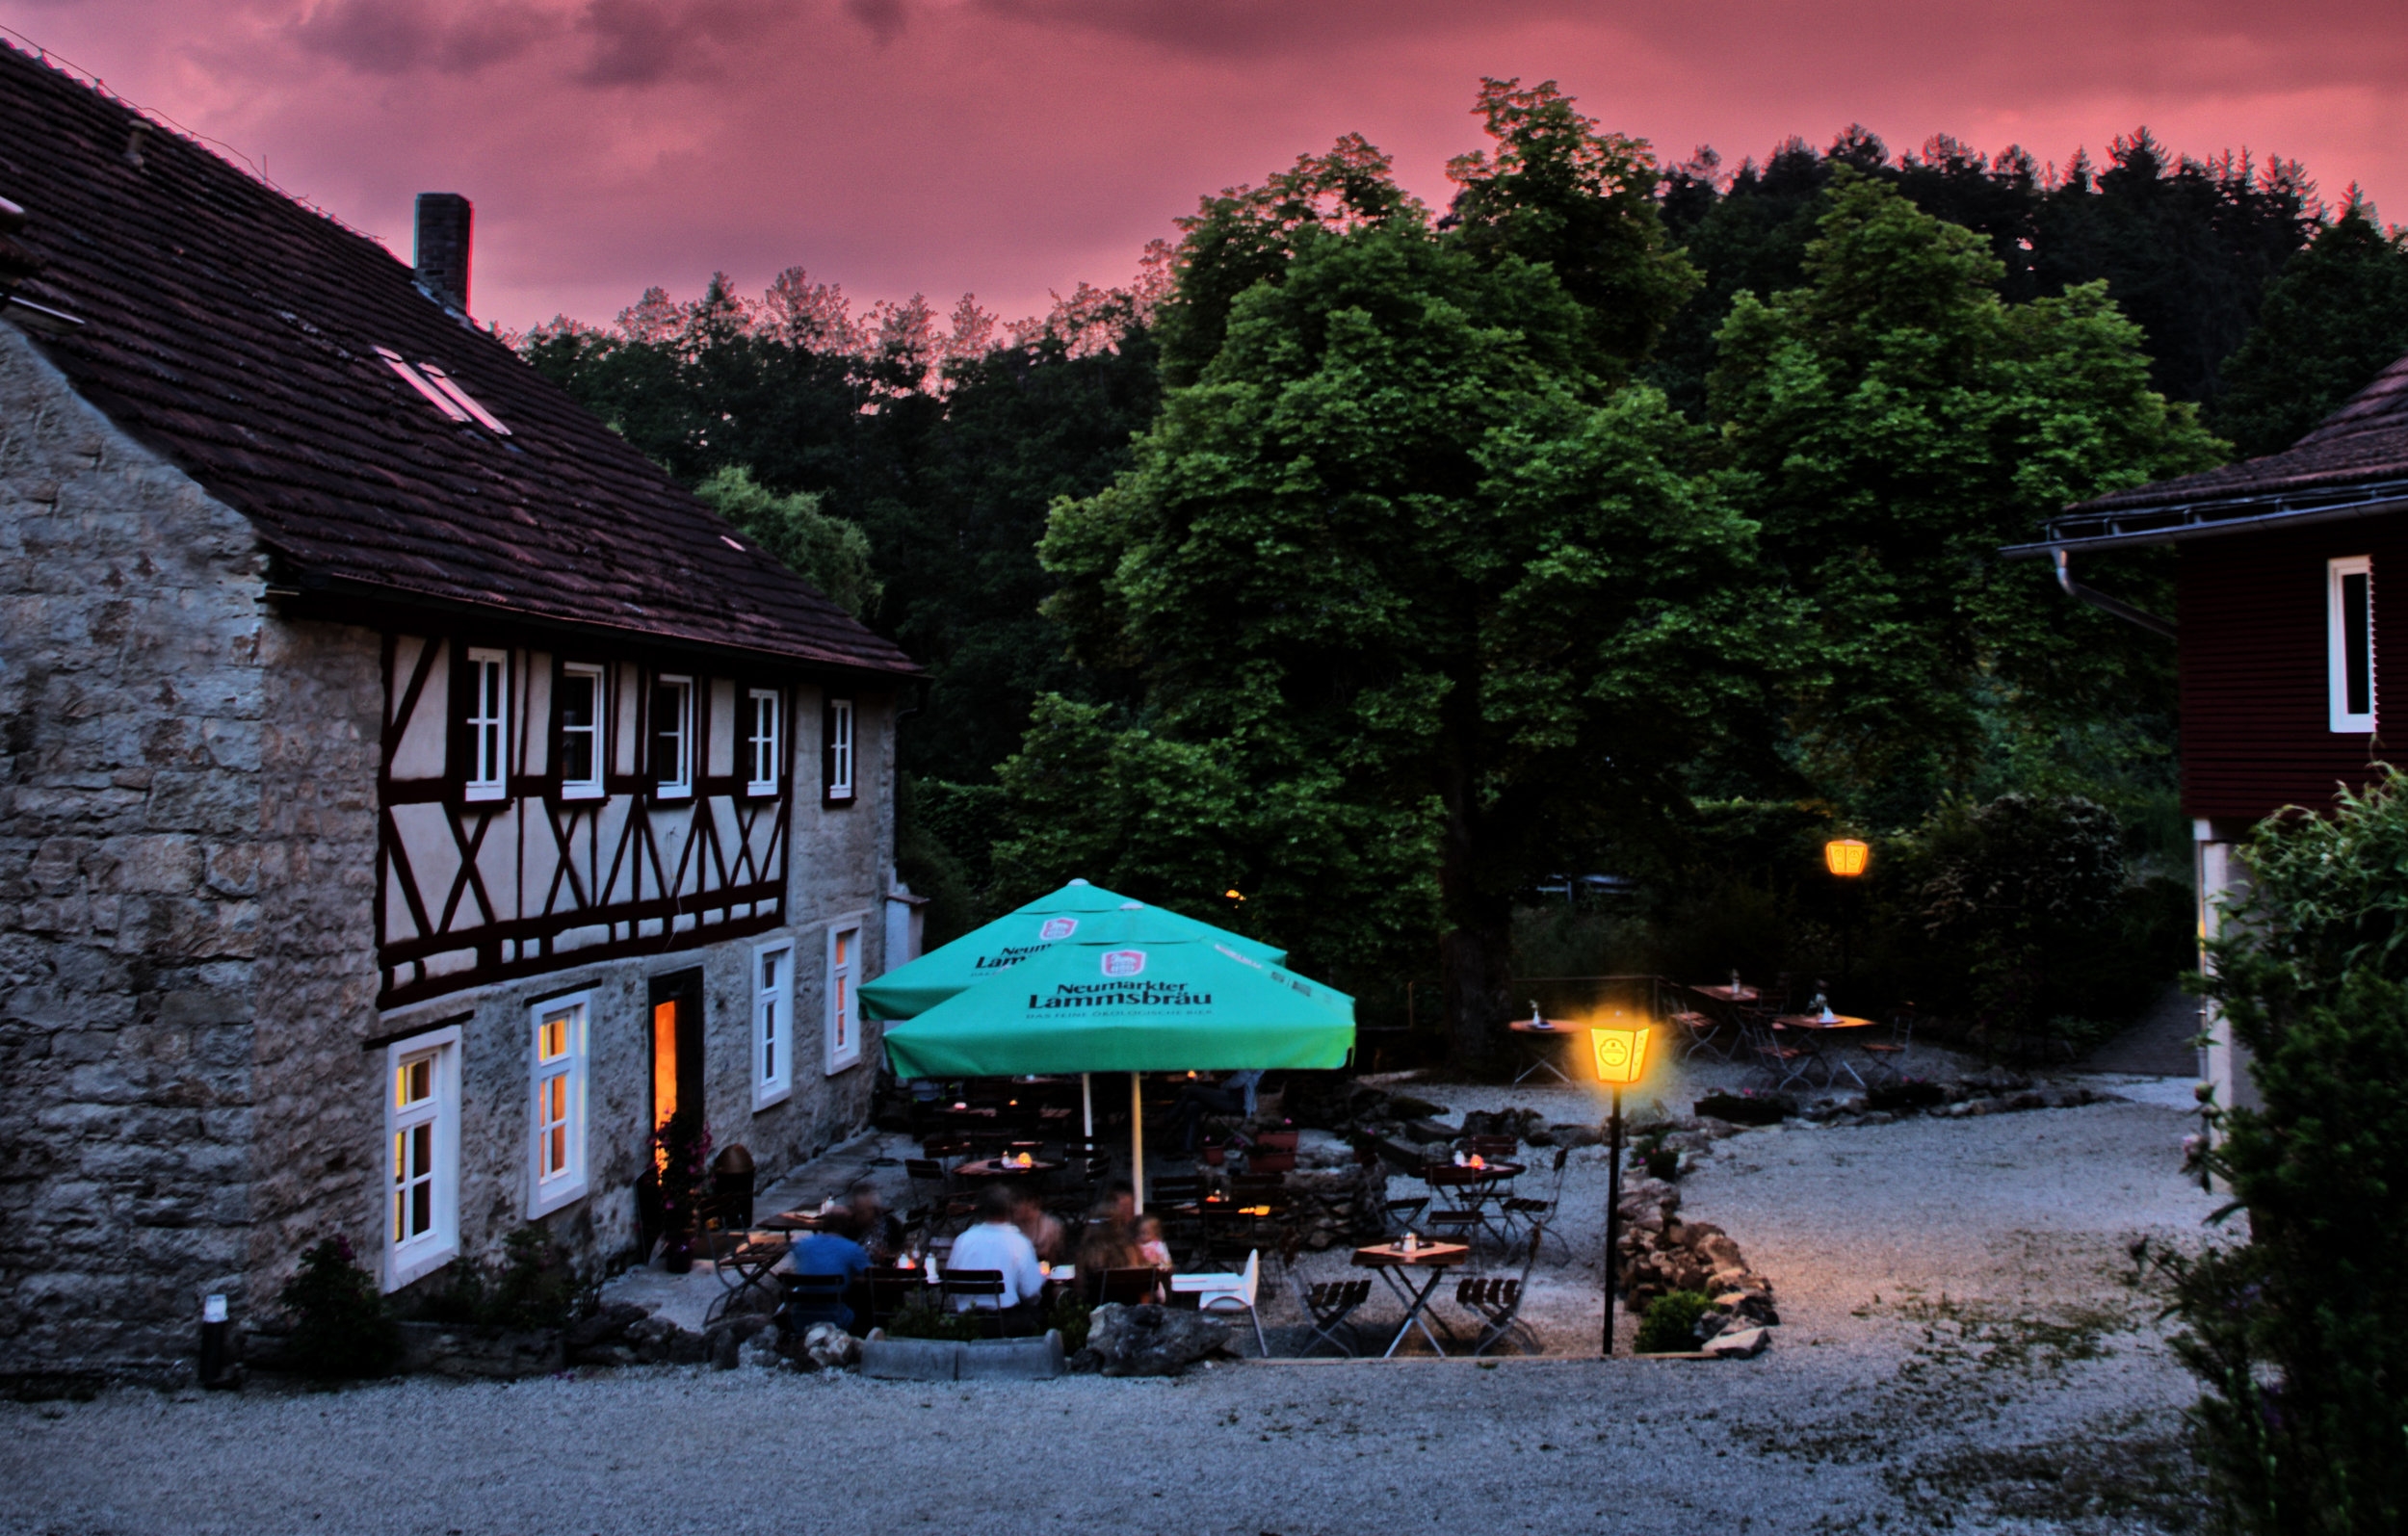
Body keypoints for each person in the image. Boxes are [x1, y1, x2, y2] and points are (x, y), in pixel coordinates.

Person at [945, 1184, 1045, 1321]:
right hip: (1004, 1322)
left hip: (966, 1321)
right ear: (1010, 1210)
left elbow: (951, 1278)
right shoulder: (1018, 1242)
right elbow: (1032, 1291)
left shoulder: (963, 1240)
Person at [784, 1209, 870, 1333]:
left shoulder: (804, 1244)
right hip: (836, 1320)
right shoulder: (852, 1248)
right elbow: (869, 1274)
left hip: (800, 1320)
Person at [1167, 1069, 1264, 1153]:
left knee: (1190, 1090)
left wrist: (1221, 1085)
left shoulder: (1255, 1061)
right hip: (1229, 1098)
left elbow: (1238, 1081)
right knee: (1193, 1105)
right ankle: (1187, 1148)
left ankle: (1166, 1120)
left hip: (1237, 1102)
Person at [846, 1180, 907, 1264]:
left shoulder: (890, 1223)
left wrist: (885, 1255)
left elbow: (902, 1250)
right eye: (859, 1211)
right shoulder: (849, 1227)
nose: (860, 1215)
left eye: (864, 1211)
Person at [1011, 1186, 1066, 1264]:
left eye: (1017, 1203)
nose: (1013, 1207)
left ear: (1031, 1203)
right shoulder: (1012, 1226)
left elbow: (1054, 1261)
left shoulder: (1049, 1227)